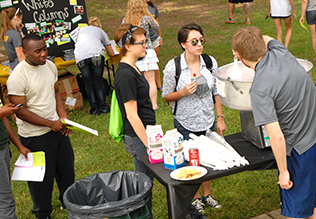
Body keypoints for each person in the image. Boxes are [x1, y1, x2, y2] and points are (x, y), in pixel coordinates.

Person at [232, 27, 316, 219]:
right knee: (313, 204)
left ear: (238, 55)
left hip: (301, 150)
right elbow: (268, 37)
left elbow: (276, 136)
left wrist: (283, 172)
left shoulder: (260, 89)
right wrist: (253, 39)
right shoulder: (280, 51)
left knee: (295, 213)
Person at [7, 34, 75, 219]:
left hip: (56, 129)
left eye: (45, 48)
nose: (44, 53)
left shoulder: (50, 66)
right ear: (25, 52)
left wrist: (63, 118)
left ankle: (69, 203)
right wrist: (49, 124)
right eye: (38, 51)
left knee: (66, 172)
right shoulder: (17, 77)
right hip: (34, 136)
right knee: (40, 181)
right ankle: (43, 213)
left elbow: (56, 93)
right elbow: (20, 112)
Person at [163, 23, 225, 214]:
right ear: (183, 44)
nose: (199, 45)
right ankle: (195, 198)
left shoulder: (209, 61)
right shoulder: (173, 67)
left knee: (208, 159)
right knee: (191, 161)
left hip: (207, 119)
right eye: (194, 42)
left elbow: (216, 91)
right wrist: (181, 92)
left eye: (201, 40)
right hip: (185, 122)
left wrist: (220, 117)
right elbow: (166, 96)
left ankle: (207, 195)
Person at [114, 24, 155, 218]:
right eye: (142, 43)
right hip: (138, 138)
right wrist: (149, 144)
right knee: (144, 187)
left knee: (145, 184)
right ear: (127, 46)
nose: (146, 46)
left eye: (146, 42)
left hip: (144, 134)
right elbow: (131, 115)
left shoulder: (133, 67)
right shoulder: (125, 75)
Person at [124, 0, 159, 110]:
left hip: (133, 52)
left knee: (135, 80)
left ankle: (138, 104)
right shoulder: (146, 18)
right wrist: (149, 14)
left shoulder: (126, 20)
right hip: (146, 50)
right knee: (150, 80)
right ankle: (153, 104)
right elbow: (156, 27)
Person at [75, 17, 115, 115]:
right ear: (99, 25)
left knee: (88, 83)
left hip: (80, 57)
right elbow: (112, 53)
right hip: (96, 55)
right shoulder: (99, 31)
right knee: (98, 81)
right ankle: (103, 107)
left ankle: (94, 109)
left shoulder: (81, 31)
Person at [0, 103, 30, 219]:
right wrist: (2, 112)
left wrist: (19, 146)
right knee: (5, 200)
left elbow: (3, 120)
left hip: (3, 146)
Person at [135, 0, 163, 92]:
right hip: (142, 42)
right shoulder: (136, 10)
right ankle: (145, 86)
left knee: (154, 63)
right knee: (142, 65)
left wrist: (160, 37)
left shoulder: (152, 7)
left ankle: (159, 86)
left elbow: (157, 24)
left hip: (154, 38)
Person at [1, 7, 25, 73]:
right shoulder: (15, 35)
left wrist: (20, 30)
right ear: (16, 17)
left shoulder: (5, 33)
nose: (21, 22)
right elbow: (21, 56)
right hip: (19, 69)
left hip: (12, 67)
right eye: (21, 19)